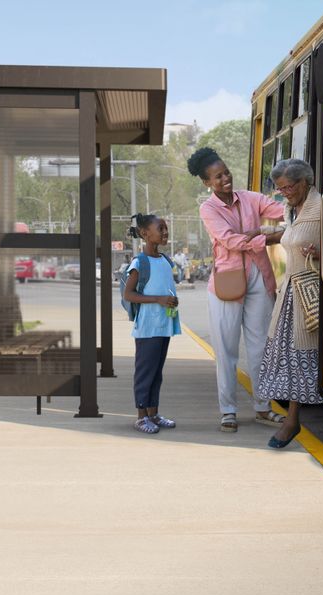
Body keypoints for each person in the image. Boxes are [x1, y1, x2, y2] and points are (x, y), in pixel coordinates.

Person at [191, 146, 288, 433]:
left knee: (261, 347)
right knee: (226, 349)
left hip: (259, 276)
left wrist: (297, 206)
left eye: (227, 173)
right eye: (218, 177)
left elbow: (281, 210)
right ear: (207, 183)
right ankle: (228, 410)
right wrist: (265, 236)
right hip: (227, 282)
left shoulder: (249, 198)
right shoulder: (208, 208)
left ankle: (262, 407)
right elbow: (230, 240)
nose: (225, 179)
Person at [257, 159, 323, 449]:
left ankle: (292, 421)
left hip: (312, 293)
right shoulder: (291, 210)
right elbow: (289, 235)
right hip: (291, 293)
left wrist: (320, 252)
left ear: (304, 182)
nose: (284, 192)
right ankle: (291, 419)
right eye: (280, 188)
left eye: (288, 187)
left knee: (302, 358)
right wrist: (259, 234)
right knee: (288, 358)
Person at [121, 213, 181, 434]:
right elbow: (129, 294)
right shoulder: (140, 262)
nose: (165, 232)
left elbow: (165, 288)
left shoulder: (165, 260)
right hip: (148, 327)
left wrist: (171, 300)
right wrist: (158, 299)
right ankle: (141, 416)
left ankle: (154, 414)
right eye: (161, 229)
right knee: (145, 372)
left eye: (166, 228)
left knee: (157, 372)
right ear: (146, 234)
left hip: (164, 324)